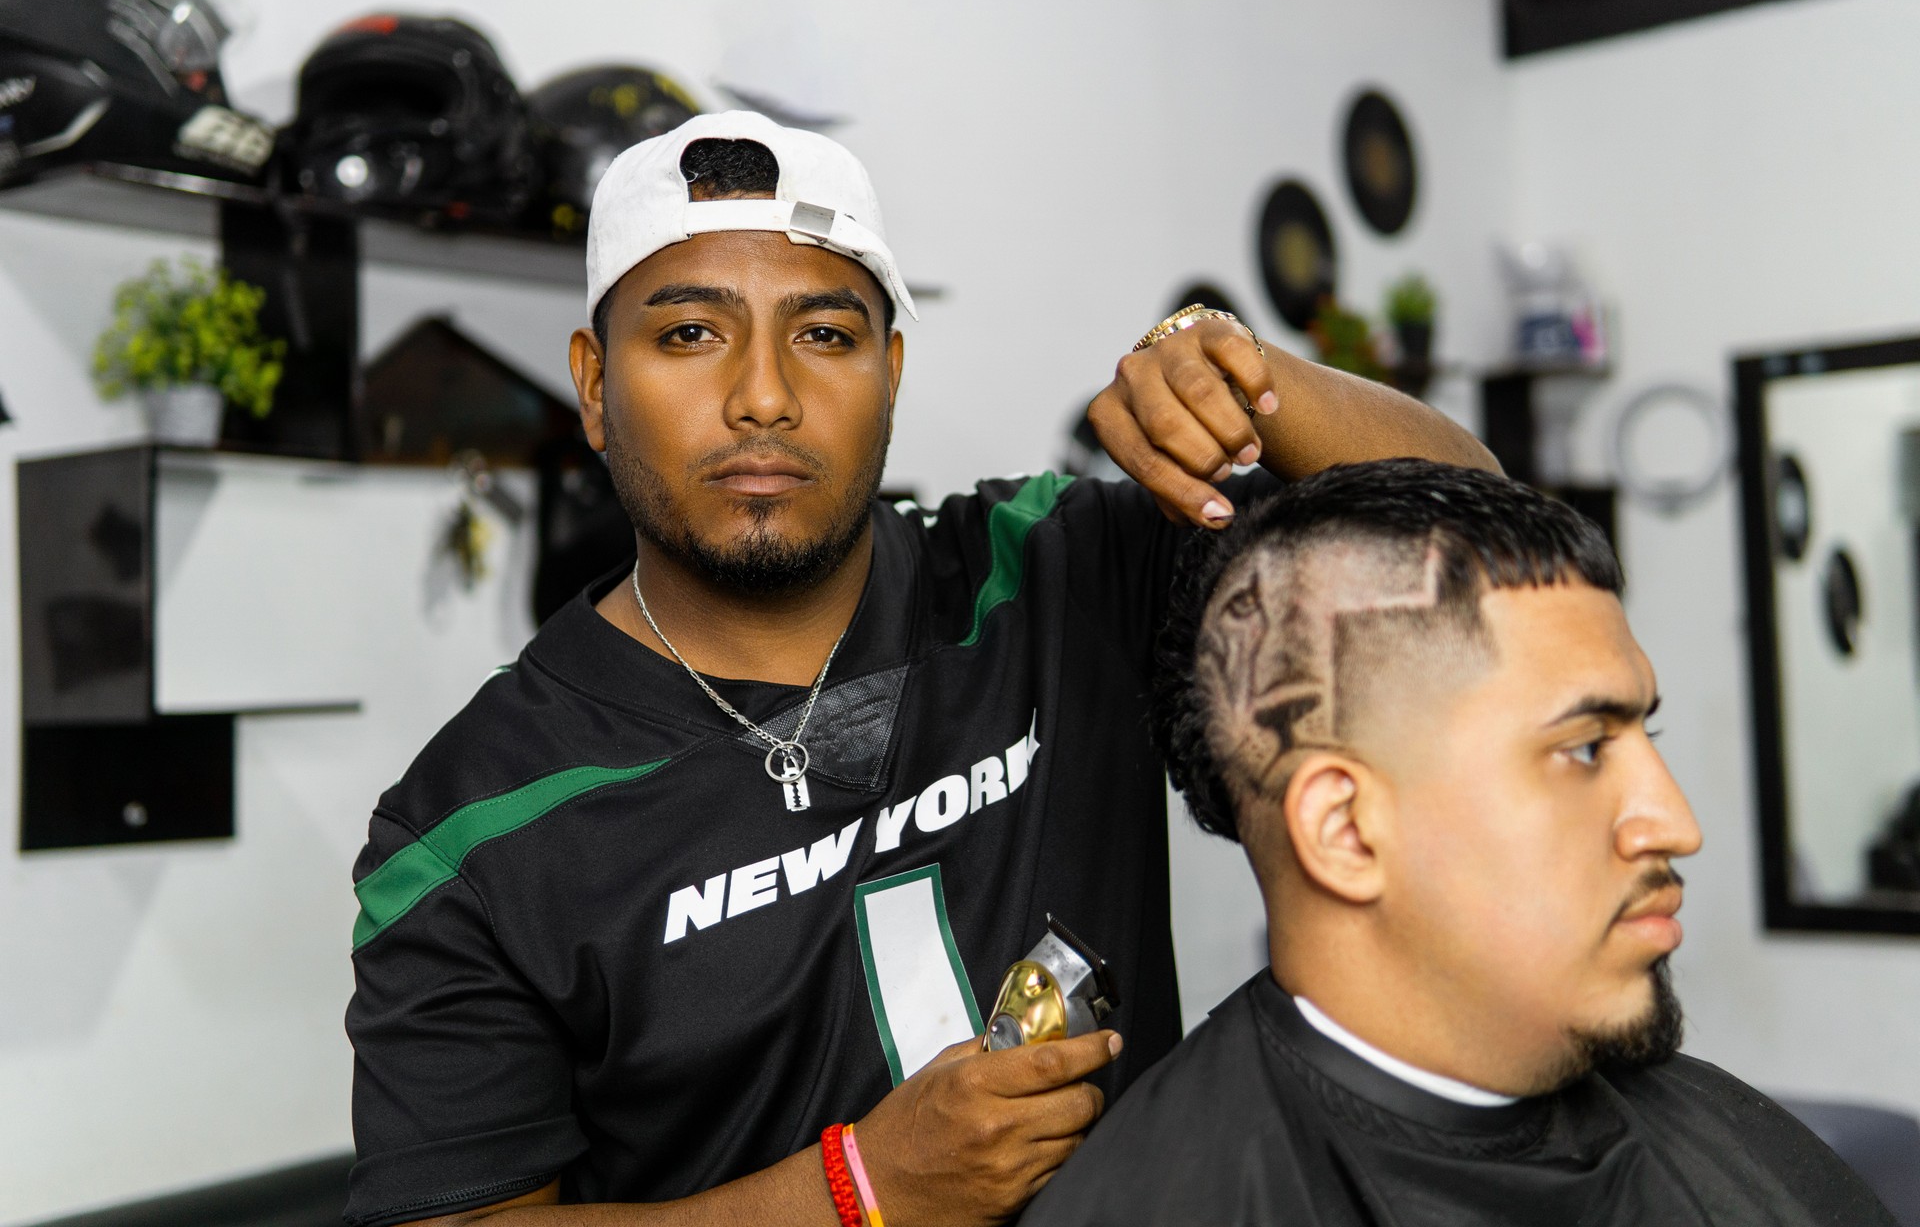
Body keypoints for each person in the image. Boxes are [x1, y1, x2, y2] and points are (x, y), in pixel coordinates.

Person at [343, 112, 1496, 1227]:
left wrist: (1251, 378)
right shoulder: (465, 833)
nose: (762, 395)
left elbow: (1488, 549)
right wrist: (856, 1191)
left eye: (825, 334)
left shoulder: (1055, 573)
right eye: (691, 333)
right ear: (595, 384)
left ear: (892, 371)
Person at [1020, 459, 1895, 1227]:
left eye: (1646, 741)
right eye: (1584, 747)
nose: (1675, 824)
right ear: (1346, 831)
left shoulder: (1714, 1130)